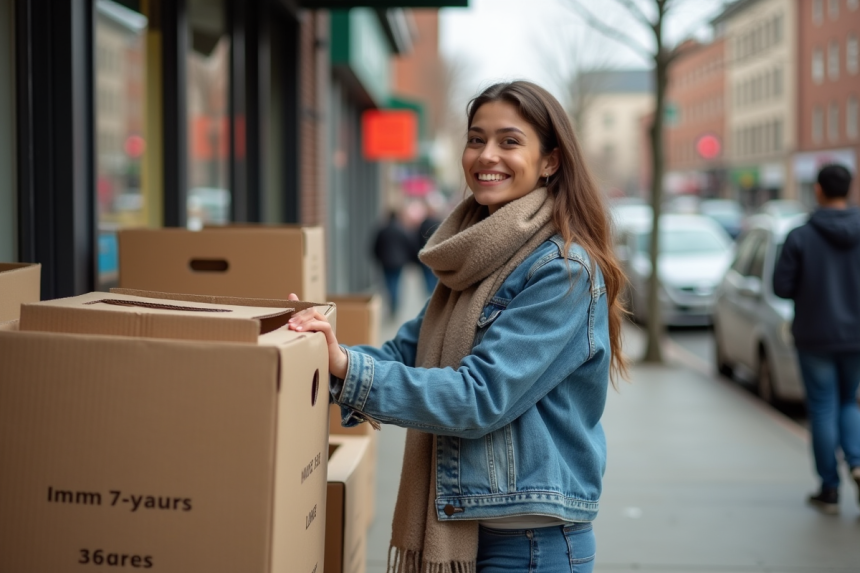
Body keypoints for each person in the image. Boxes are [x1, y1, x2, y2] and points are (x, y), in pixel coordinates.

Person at [289, 81, 627, 572]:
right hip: (476, 525)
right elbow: (406, 352)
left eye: (510, 141)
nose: (487, 155)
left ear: (550, 160)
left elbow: (479, 398)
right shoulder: (473, 259)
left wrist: (349, 369)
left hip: (530, 545)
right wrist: (314, 346)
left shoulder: (563, 270)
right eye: (476, 139)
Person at [773, 163, 860, 515]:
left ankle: (829, 488)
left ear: (819, 191)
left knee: (823, 406)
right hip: (856, 337)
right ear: (849, 189)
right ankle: (857, 463)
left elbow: (781, 287)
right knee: (849, 401)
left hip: (815, 336)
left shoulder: (800, 236)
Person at [372, 211, 418, 318]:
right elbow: (410, 245)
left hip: (386, 262)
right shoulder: (401, 230)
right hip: (398, 262)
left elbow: (375, 246)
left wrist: (378, 258)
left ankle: (392, 303)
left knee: (388, 283)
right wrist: (410, 259)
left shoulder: (383, 230)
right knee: (396, 283)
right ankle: (394, 304)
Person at [415, 200, 442, 295]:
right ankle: (433, 294)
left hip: (425, 253)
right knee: (435, 275)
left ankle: (430, 294)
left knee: (427, 276)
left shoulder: (424, 223)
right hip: (436, 254)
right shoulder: (439, 222)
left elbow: (417, 240)